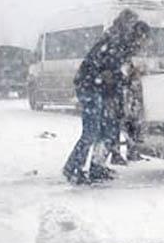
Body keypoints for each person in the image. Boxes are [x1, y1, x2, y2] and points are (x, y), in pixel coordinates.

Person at [62, 10, 148, 184]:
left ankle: (97, 167)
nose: (143, 43)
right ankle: (72, 168)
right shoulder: (115, 42)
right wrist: (126, 78)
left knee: (108, 131)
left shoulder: (121, 43)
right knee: (92, 131)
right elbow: (109, 73)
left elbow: (114, 73)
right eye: (142, 39)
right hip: (91, 88)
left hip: (100, 89)